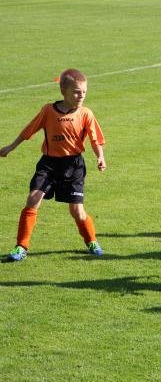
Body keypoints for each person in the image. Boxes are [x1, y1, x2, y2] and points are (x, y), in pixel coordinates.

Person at [0, 68, 106, 261]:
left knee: (77, 211)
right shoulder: (48, 110)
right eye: (76, 92)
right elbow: (29, 129)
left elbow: (95, 139)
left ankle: (91, 240)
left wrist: (100, 157)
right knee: (33, 199)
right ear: (63, 91)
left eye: (84, 91)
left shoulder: (86, 113)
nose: (81, 95)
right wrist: (10, 147)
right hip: (48, 164)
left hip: (74, 166)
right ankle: (21, 247)